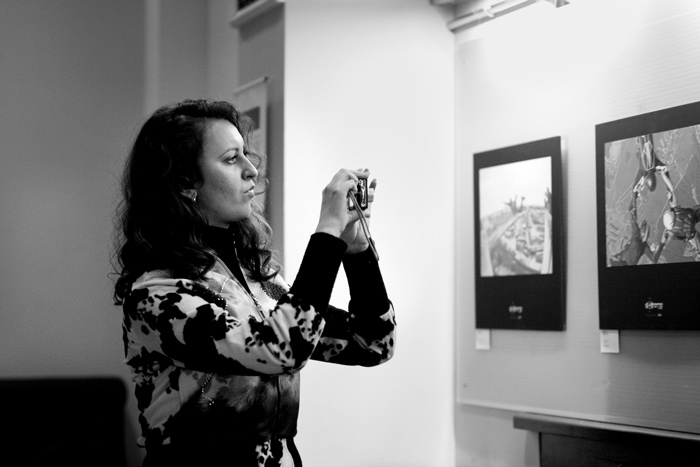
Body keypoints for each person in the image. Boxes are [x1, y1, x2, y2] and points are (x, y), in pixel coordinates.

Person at [112, 99, 396, 466]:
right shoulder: (157, 295)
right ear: (184, 181)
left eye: (247, 156)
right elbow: (281, 349)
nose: (251, 170)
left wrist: (355, 249)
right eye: (232, 159)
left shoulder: (260, 282)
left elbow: (373, 344)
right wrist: (327, 232)